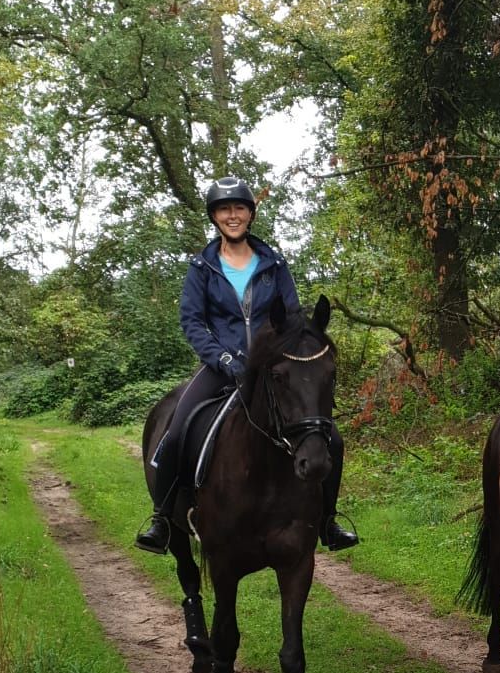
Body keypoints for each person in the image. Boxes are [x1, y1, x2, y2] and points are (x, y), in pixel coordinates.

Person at [135, 176, 357, 554]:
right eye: (224, 209)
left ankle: (328, 521)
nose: (232, 215)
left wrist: (284, 355)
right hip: (220, 366)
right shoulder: (202, 267)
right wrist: (223, 357)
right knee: (175, 431)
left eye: (239, 208)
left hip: (272, 369)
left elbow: (291, 317)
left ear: (251, 214)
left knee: (331, 436)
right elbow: (192, 321)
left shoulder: (274, 264)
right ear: (214, 216)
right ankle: (162, 519)